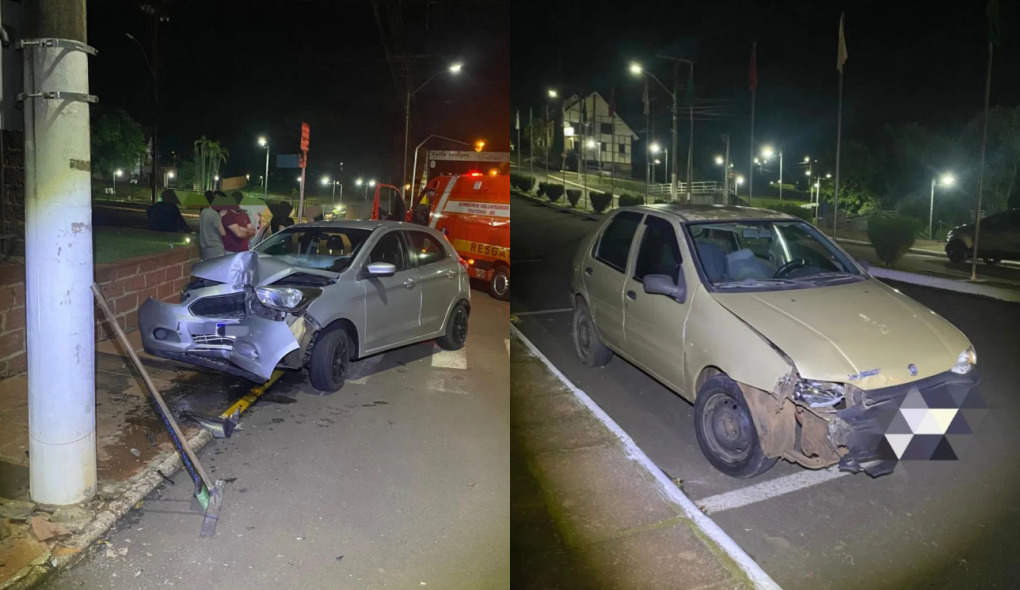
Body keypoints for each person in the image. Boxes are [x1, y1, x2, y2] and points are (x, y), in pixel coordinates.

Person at [198, 191, 226, 259]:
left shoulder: (204, 211)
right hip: (215, 248)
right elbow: (223, 233)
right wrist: (221, 217)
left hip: (205, 247)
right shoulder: (214, 214)